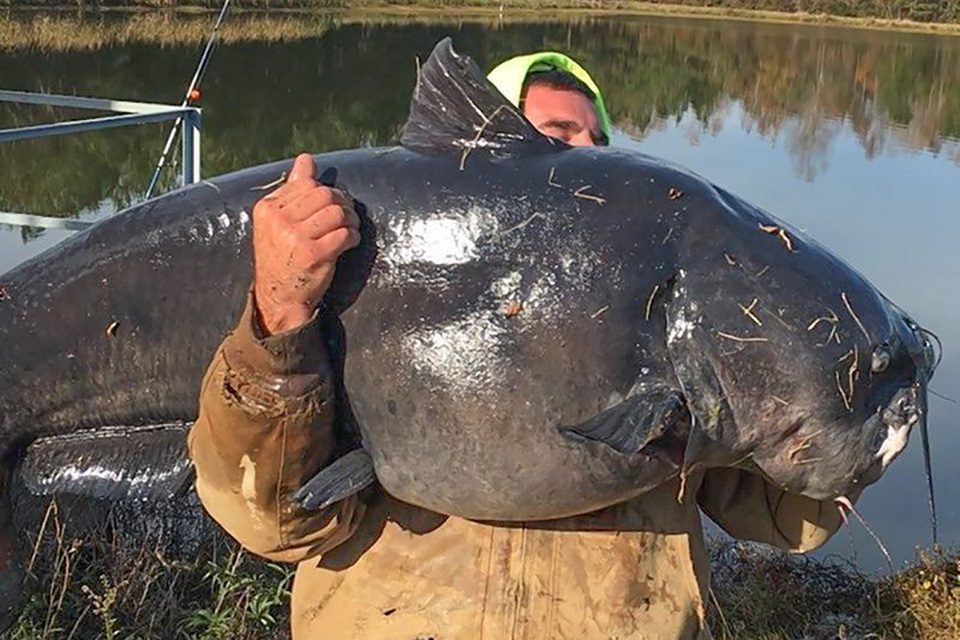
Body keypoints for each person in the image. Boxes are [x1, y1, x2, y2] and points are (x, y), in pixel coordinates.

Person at [188, 50, 847, 640]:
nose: (585, 158)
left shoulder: (669, 338)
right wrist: (281, 314)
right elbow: (270, 521)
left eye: (597, 144)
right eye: (556, 140)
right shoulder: (361, 295)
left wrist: (841, 397)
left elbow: (788, 518)